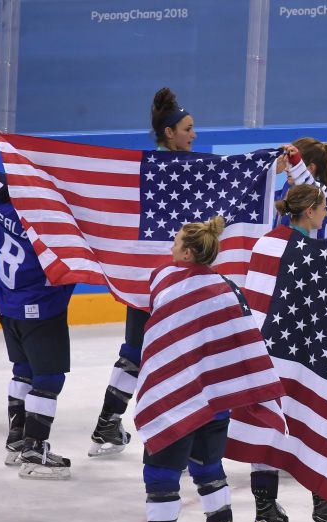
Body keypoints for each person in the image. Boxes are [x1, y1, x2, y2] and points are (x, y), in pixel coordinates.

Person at [127, 216, 282, 522]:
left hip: (176, 398)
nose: (170, 248)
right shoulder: (229, 288)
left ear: (188, 252)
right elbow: (242, 344)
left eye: (176, 242)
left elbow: (155, 328)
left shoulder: (167, 282)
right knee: (208, 467)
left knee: (160, 473)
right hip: (215, 399)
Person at [232, 183, 327, 522]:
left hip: (258, 347)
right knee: (307, 417)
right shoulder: (315, 251)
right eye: (323, 209)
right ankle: (324, 502)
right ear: (309, 211)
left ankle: (265, 510)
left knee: (269, 422)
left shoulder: (265, 241)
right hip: (299, 352)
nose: (326, 215)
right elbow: (326, 316)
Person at [89, 87, 196, 457]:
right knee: (184, 354)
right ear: (170, 132)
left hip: (144, 281)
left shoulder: (144, 166)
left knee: (135, 352)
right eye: (187, 128)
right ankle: (181, 440)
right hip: (175, 282)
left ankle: (107, 424)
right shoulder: (190, 170)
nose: (193, 134)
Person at [0, 163, 75, 479]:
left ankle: (17, 442)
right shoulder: (47, 223)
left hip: (9, 305)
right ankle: (34, 449)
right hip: (40, 309)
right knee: (49, 378)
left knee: (24, 371)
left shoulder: (2, 200)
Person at [274, 137, 327, 244]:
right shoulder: (289, 187)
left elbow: (308, 189)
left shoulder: (321, 191)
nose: (286, 169)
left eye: (292, 164)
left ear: (310, 168)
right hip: (289, 255)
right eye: (288, 163)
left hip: (314, 258)